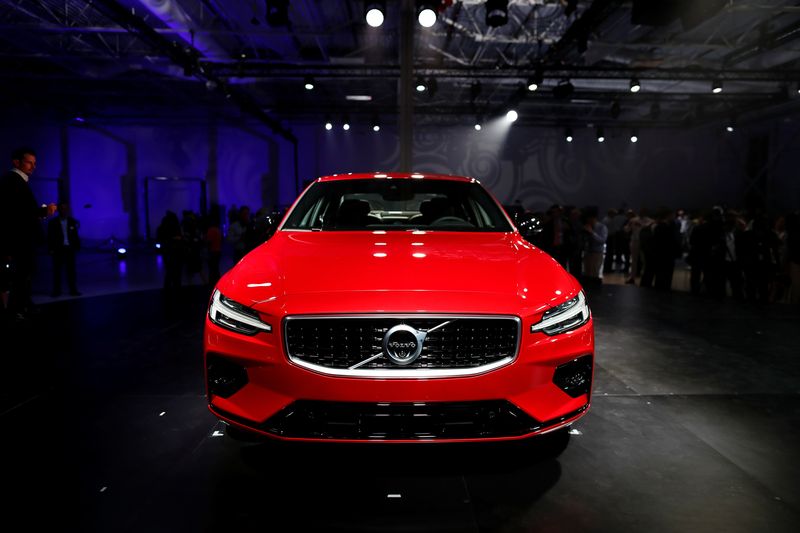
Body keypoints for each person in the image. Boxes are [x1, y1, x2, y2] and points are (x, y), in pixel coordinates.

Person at [0, 147, 44, 320]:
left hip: (22, 239)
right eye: (29, 162)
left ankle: (22, 306)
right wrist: (44, 212)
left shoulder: (17, 181)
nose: (33, 167)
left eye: (34, 163)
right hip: (21, 240)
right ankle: (18, 309)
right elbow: (18, 213)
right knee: (22, 275)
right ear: (16, 162)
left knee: (25, 274)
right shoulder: (14, 181)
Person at [46, 201, 81, 297]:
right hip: (59, 249)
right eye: (62, 208)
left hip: (69, 248)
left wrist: (76, 246)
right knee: (57, 271)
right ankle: (57, 290)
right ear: (59, 210)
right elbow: (50, 237)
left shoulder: (72, 222)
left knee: (71, 271)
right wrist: (51, 249)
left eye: (65, 209)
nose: (64, 211)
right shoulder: (53, 223)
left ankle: (72, 289)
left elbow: (75, 236)